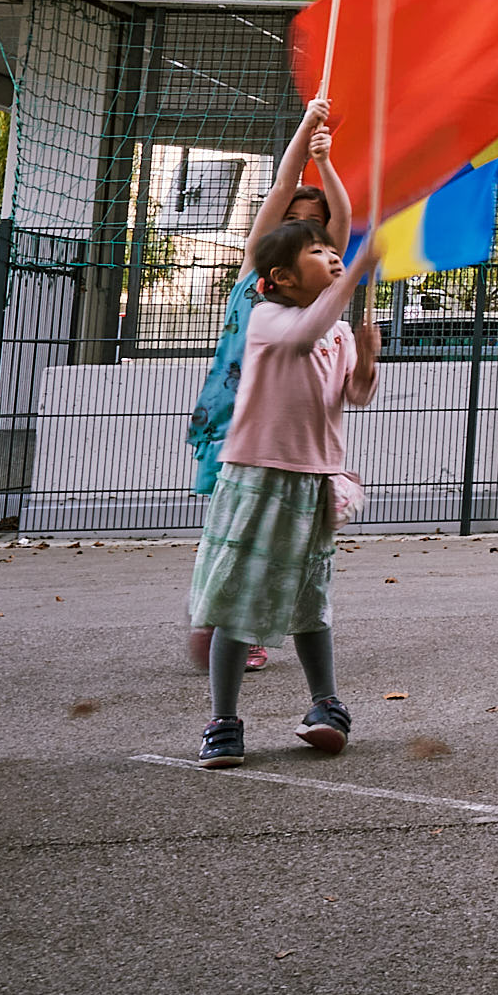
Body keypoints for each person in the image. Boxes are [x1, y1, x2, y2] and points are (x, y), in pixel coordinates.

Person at [190, 218, 381, 768]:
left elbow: (355, 394)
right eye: (318, 251)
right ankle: (223, 720)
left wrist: (366, 356)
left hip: (315, 479)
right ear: (281, 277)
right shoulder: (270, 318)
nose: (334, 256)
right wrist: (356, 276)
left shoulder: (339, 331)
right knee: (237, 598)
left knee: (309, 600)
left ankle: (326, 705)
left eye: (334, 249)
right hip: (257, 477)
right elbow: (304, 336)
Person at [185, 99, 349, 673]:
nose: (296, 232)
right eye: (289, 223)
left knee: (267, 532)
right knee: (226, 522)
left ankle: (241, 622)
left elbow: (344, 227)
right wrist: (308, 127)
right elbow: (281, 181)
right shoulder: (255, 273)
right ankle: (221, 615)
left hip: (281, 426)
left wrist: (327, 167)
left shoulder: (317, 298)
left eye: (312, 229)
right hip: (230, 413)